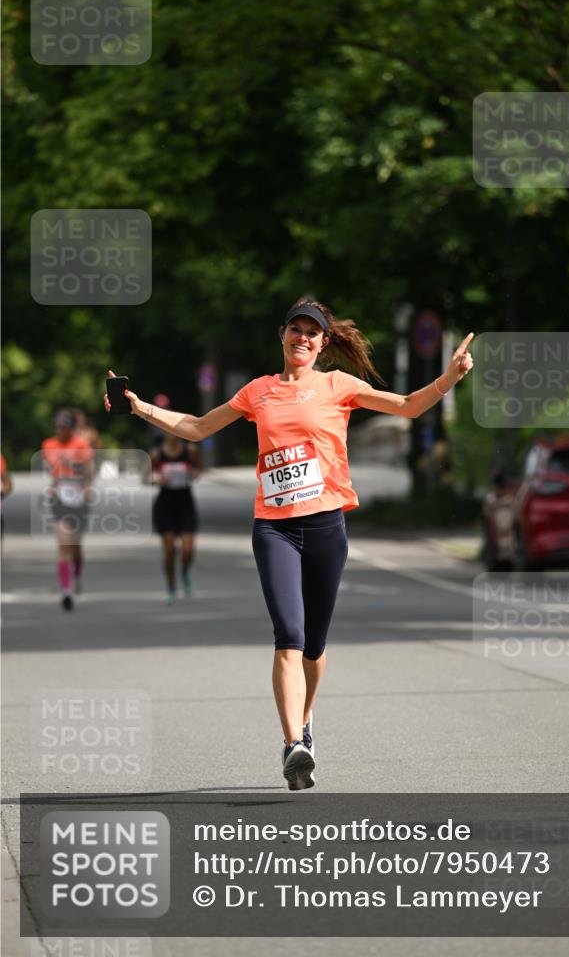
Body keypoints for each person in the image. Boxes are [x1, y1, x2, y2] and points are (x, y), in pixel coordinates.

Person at [104, 299, 474, 789]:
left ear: (323, 343)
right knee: (289, 637)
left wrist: (449, 378)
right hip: (274, 527)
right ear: (282, 335)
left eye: (311, 333)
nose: (302, 338)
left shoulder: (339, 386)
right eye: (295, 330)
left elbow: (407, 406)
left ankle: (306, 720)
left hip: (325, 525)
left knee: (314, 647)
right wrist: (140, 406)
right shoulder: (258, 392)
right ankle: (293, 744)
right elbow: (196, 427)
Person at [41, 410, 95, 611]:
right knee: (64, 546)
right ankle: (66, 591)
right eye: (58, 426)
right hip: (59, 499)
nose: (61, 430)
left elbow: (89, 471)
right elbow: (51, 470)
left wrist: (86, 487)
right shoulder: (48, 445)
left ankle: (77, 575)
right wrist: (56, 484)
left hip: (79, 498)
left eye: (65, 427)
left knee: (75, 547)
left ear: (71, 428)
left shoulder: (80, 445)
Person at [144, 429, 202, 603]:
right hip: (165, 504)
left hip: (185, 503)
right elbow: (145, 478)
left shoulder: (189, 450)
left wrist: (193, 474)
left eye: (175, 431)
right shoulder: (157, 454)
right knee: (170, 551)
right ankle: (171, 586)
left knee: (187, 550)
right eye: (168, 432)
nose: (172, 435)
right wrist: (158, 479)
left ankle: (184, 572)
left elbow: (199, 467)